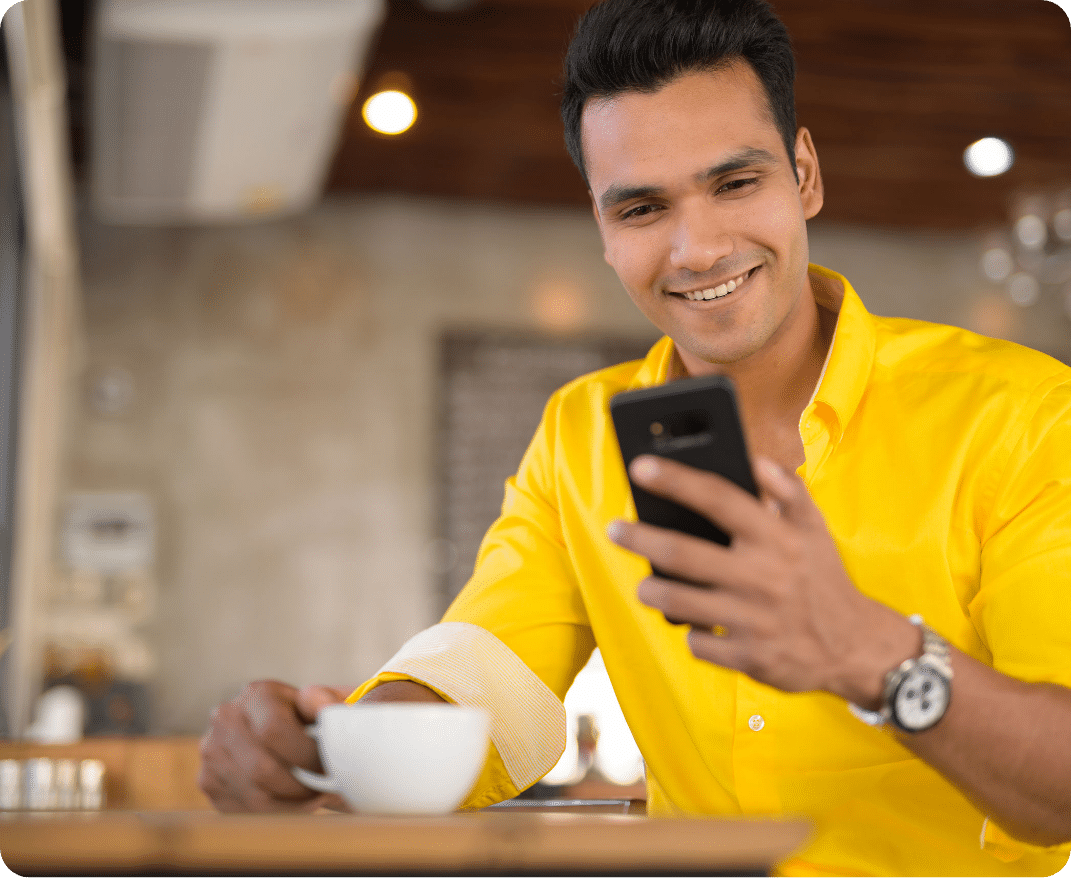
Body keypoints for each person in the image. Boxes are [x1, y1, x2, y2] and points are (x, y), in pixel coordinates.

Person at [199, 1, 1071, 874]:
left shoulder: (1025, 416)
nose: (697, 248)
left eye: (736, 183)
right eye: (643, 208)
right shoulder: (578, 434)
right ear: (602, 230)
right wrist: (332, 752)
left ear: (802, 175)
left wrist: (873, 654)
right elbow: (488, 676)